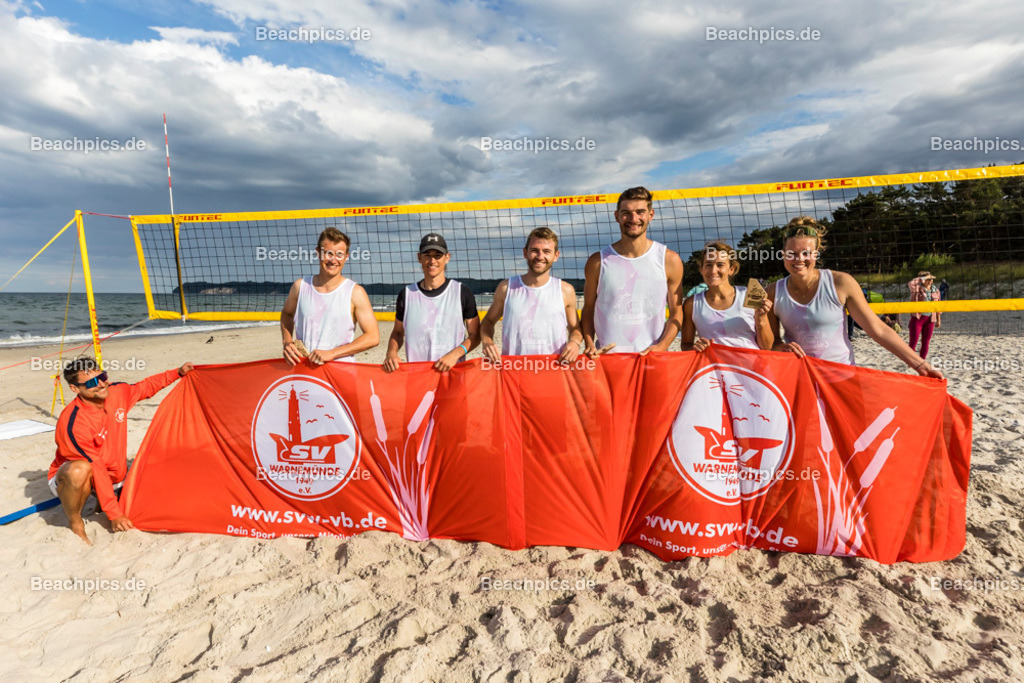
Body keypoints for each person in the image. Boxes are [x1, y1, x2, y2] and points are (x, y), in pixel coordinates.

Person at [766, 216, 943, 378]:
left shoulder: (840, 283)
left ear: (816, 254)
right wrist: (780, 346)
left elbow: (878, 329)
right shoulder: (773, 292)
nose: (799, 259)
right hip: (799, 379)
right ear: (783, 254)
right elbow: (771, 342)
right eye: (792, 253)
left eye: (806, 253)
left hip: (841, 378)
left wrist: (922, 366)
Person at [49, 356, 194, 544]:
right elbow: (97, 467)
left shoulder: (117, 392)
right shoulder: (73, 423)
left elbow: (145, 387)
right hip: (73, 478)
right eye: (93, 382)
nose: (102, 384)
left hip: (113, 474)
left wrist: (177, 373)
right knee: (80, 470)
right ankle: (75, 522)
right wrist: (114, 514)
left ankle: (101, 504)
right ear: (75, 389)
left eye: (102, 376)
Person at [582, 186, 684, 355]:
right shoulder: (597, 262)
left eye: (640, 212)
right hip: (608, 358)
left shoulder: (669, 260)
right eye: (626, 213)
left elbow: (676, 312)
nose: (633, 218)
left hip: (651, 357)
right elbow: (588, 310)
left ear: (650, 215)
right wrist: (589, 343)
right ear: (617, 216)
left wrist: (662, 346)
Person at [480, 227, 583, 361]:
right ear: (525, 252)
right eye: (535, 250)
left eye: (546, 251)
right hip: (514, 371)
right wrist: (487, 342)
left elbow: (575, 328)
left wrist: (575, 343)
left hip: (553, 370)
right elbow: (487, 321)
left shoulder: (565, 290)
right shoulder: (506, 287)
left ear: (556, 256)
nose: (540, 257)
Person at [383, 233, 481, 372]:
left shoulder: (461, 292)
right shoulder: (406, 294)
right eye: (427, 255)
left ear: (447, 258)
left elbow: (476, 335)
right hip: (418, 376)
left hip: (452, 375)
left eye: (438, 255)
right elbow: (398, 332)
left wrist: (456, 354)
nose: (432, 260)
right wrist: (391, 353)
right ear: (419, 257)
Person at [281, 227, 380, 365]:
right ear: (318, 253)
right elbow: (287, 314)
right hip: (305, 372)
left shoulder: (355, 292)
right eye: (328, 253)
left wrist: (332, 353)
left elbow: (373, 337)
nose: (333, 260)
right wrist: (287, 341)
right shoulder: (300, 286)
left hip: (341, 373)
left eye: (339, 254)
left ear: (346, 256)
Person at [680, 241, 774, 351]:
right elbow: (686, 345)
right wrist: (695, 348)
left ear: (731, 269)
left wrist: (761, 319)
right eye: (708, 265)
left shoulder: (749, 296)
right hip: (714, 366)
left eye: (720, 265)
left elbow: (767, 347)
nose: (713, 271)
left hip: (750, 366)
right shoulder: (692, 304)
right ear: (701, 269)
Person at [908, 271, 942, 359]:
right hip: (918, 318)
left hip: (930, 319)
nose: (930, 280)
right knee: (913, 342)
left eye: (931, 279)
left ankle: (922, 360)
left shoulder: (936, 291)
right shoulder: (916, 289)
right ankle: (911, 361)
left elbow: (938, 306)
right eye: (928, 279)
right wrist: (920, 279)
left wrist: (938, 319)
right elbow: (910, 283)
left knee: (926, 342)